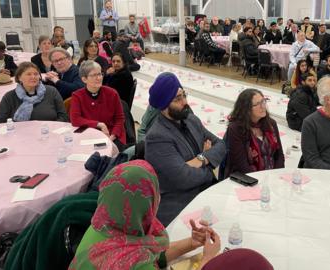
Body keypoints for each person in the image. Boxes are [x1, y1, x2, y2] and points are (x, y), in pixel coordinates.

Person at [69, 160, 222, 270]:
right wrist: (208, 260)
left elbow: (154, 256)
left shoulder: (101, 228)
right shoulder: (132, 261)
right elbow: (143, 260)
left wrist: (191, 243)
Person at [145, 73, 226, 226]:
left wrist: (200, 159)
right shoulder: (157, 137)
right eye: (178, 99)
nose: (185, 102)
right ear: (164, 105)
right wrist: (209, 166)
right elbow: (183, 178)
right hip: (179, 202)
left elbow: (221, 145)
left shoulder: (190, 119)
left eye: (184, 95)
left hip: (205, 190)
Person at [224, 89, 284, 178]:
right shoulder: (236, 129)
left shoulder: (271, 124)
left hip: (271, 176)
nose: (263, 106)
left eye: (263, 102)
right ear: (246, 109)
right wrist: (260, 180)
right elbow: (241, 164)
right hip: (247, 179)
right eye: (257, 104)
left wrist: (276, 175)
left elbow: (279, 155)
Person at [70, 60, 125, 147]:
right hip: (89, 136)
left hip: (112, 134)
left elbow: (120, 119)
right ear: (84, 79)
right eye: (94, 75)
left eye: (100, 74)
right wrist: (99, 124)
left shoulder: (112, 93)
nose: (99, 78)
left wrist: (112, 136)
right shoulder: (77, 96)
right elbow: (75, 119)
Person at [0, 62, 68, 123]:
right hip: (19, 136)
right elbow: (1, 122)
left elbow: (63, 116)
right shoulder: (9, 97)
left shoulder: (51, 91)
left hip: (48, 133)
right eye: (29, 74)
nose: (33, 77)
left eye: (36, 74)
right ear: (19, 78)